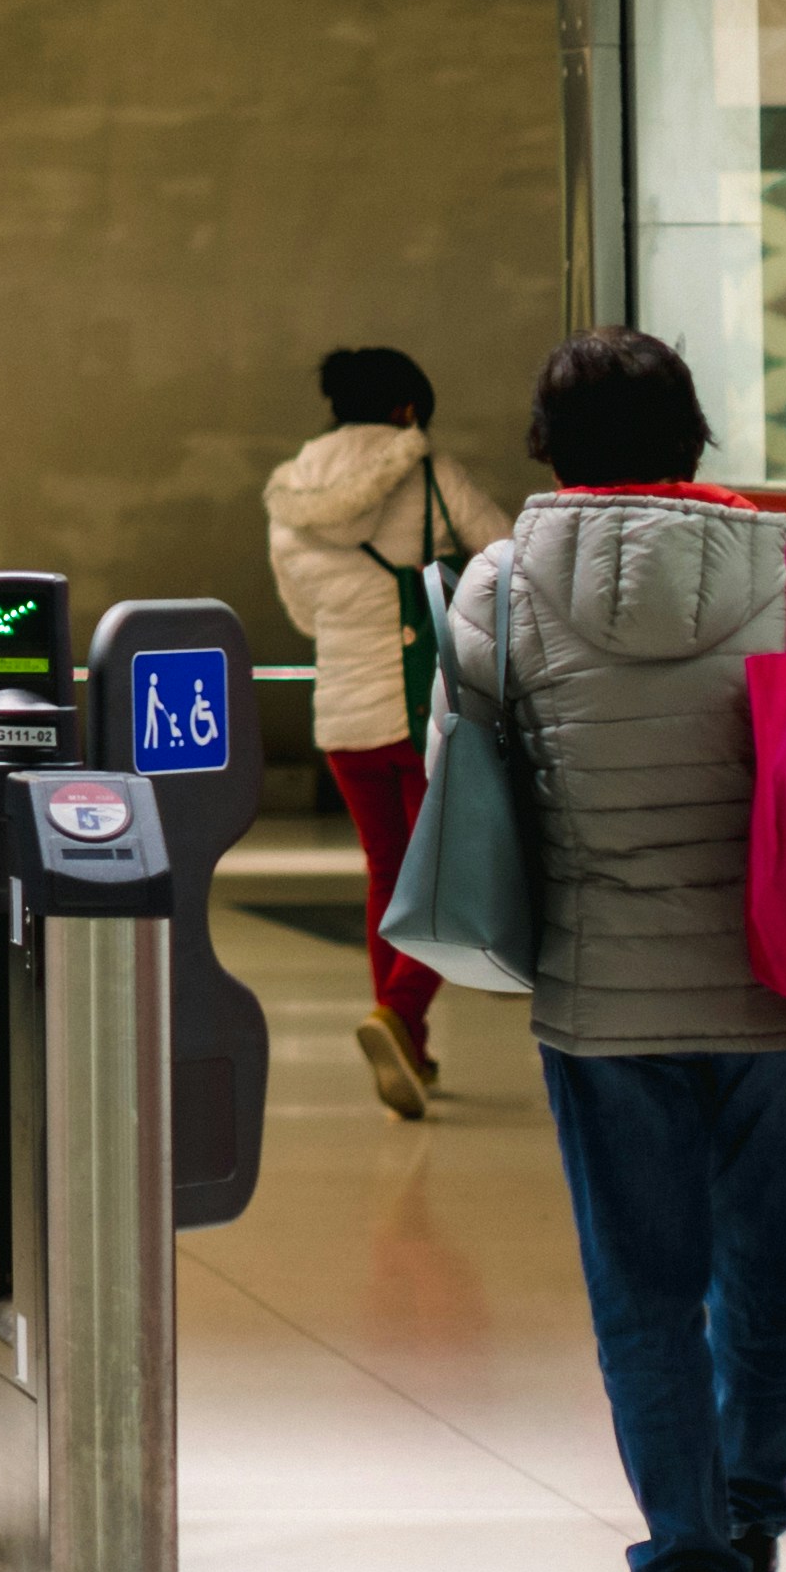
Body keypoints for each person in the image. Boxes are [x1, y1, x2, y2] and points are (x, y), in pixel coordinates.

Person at [445, 326, 786, 1572]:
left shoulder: (502, 583)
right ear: (692, 432)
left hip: (604, 994)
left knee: (643, 1285)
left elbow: (459, 788)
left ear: (551, 446)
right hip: (780, 976)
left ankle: (684, 1553)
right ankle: (754, 1509)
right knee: (765, 1266)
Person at [266, 345, 505, 1120]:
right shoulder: (432, 473)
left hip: (342, 714)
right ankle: (398, 1012)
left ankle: (411, 1044)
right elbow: (507, 557)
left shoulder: (293, 492)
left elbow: (303, 611)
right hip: (428, 711)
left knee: (387, 874)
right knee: (455, 875)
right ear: (406, 409)